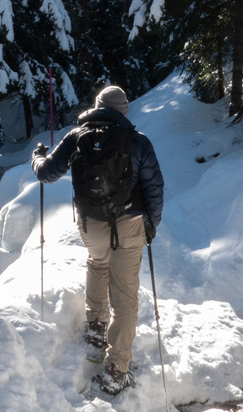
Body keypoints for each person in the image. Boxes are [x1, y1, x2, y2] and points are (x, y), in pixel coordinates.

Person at [31, 85, 164, 396]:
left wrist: (37, 156)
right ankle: (117, 370)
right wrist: (150, 226)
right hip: (128, 223)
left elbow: (47, 173)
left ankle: (95, 328)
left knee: (97, 263)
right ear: (124, 112)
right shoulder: (137, 141)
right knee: (125, 297)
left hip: (91, 222)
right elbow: (154, 188)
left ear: (98, 106)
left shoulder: (77, 136)